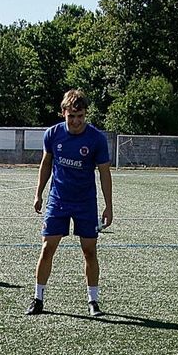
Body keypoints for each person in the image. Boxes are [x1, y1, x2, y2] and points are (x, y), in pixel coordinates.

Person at [26, 89, 113, 316]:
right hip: (58, 201)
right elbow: (46, 164)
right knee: (47, 248)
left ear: (85, 114)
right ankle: (38, 298)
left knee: (89, 251)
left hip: (85, 202)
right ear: (63, 112)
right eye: (71, 116)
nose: (76, 121)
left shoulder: (96, 139)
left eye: (80, 116)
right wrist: (38, 194)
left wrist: (109, 206)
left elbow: (104, 173)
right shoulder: (53, 134)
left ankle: (93, 301)